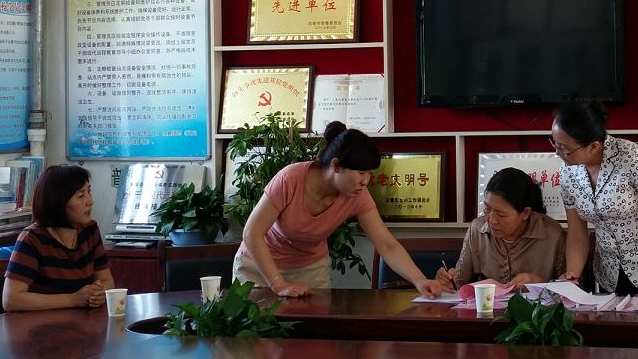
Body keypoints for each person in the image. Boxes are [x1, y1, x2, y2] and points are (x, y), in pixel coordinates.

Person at [233, 121, 444, 298]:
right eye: (361, 173)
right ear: (336, 165)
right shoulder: (290, 178)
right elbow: (252, 233)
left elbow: (387, 245)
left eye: (369, 174)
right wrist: (278, 284)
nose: (366, 181)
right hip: (260, 268)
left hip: (310, 270)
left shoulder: (358, 195)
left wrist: (419, 280)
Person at [552, 101, 638, 294]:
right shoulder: (568, 171)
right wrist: (572, 275)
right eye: (554, 143)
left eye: (564, 148)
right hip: (609, 274)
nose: (557, 153)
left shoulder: (632, 159)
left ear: (593, 146)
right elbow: (577, 231)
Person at [2, 164, 116, 311]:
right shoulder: (32, 238)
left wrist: (98, 293)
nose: (90, 201)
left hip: (82, 320)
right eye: (80, 195)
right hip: (42, 323)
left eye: (89, 192)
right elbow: (11, 299)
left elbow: (107, 280)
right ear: (58, 201)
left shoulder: (90, 230)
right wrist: (73, 299)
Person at [434, 167, 566, 294]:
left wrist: (541, 285)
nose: (491, 220)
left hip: (536, 309)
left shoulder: (552, 234)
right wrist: (447, 281)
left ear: (525, 213)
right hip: (485, 309)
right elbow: (460, 282)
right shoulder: (477, 230)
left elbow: (570, 286)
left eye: (501, 214)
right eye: (487, 209)